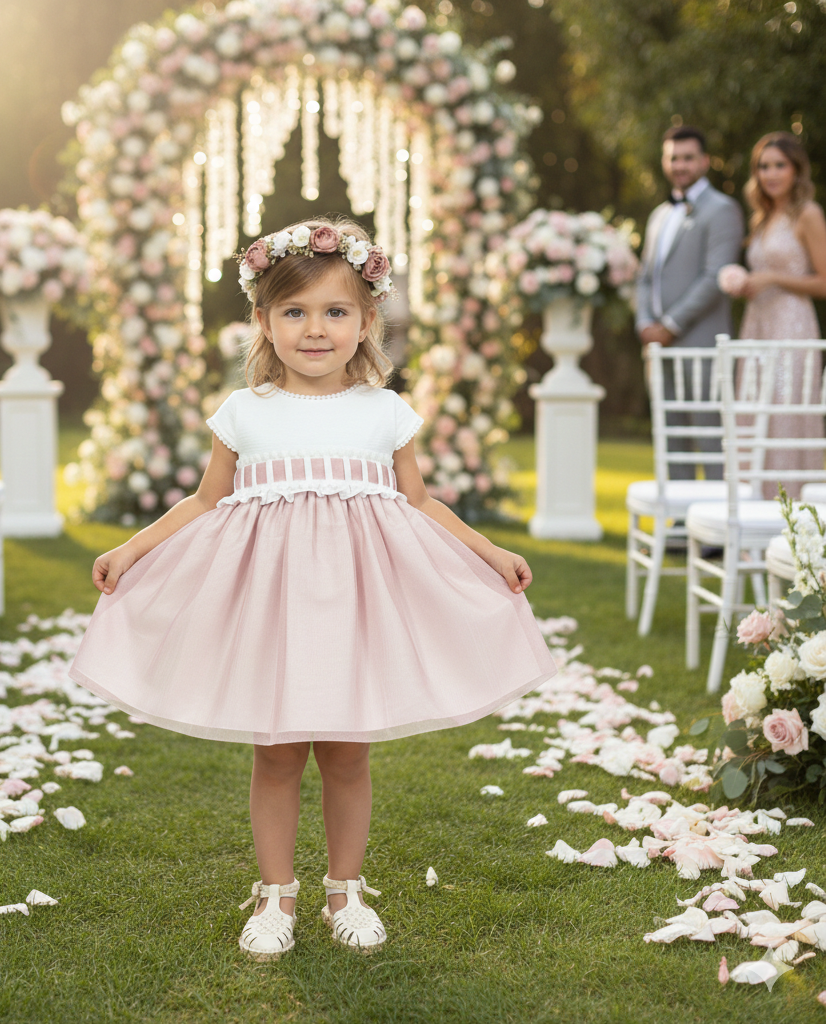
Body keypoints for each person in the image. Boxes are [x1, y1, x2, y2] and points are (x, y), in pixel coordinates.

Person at [69, 218, 556, 960]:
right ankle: (275, 896)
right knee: (276, 752)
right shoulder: (245, 411)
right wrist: (132, 550)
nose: (315, 329)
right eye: (294, 312)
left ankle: (344, 890)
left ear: (367, 322)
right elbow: (205, 501)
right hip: (274, 610)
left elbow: (420, 503)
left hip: (358, 608)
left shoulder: (385, 412)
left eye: (335, 312)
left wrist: (489, 552)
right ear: (263, 321)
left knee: (348, 752)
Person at [636, 126, 745, 480]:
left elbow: (715, 276)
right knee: (671, 440)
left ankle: (715, 530)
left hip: (701, 344)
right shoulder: (659, 216)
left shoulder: (723, 209)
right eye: (673, 158)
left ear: (704, 161)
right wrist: (645, 325)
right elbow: (645, 277)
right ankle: (681, 529)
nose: (680, 165)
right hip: (658, 348)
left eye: (687, 157)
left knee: (710, 436)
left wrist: (669, 326)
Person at [735, 132, 826, 498]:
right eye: (763, 166)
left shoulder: (807, 214)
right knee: (754, 416)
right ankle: (751, 511)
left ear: (795, 170)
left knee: (784, 419)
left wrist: (772, 277)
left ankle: (789, 515)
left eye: (779, 166)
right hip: (757, 325)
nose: (770, 174)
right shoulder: (762, 217)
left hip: (791, 327)